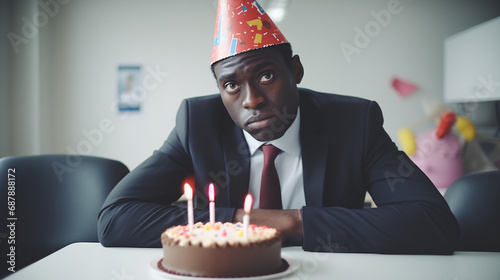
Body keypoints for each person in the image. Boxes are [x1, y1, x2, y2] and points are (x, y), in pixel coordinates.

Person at [98, 0, 459, 254]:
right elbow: (116, 219)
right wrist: (243, 221)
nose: (251, 99)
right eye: (231, 85)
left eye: (266, 75)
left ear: (296, 71)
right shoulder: (198, 124)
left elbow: (433, 224)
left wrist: (291, 223)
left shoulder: (354, 123)